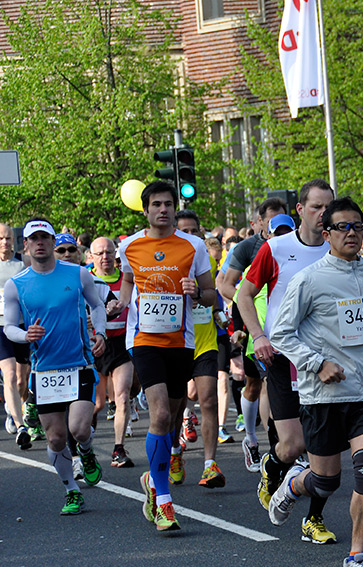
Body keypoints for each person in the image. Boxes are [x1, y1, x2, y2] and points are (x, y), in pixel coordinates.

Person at [268, 196, 363, 567]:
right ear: (326, 235)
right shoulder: (310, 279)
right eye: (343, 227)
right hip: (323, 395)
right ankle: (293, 485)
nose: (352, 234)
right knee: (326, 481)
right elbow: (281, 333)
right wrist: (317, 364)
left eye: (358, 226)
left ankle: (357, 559)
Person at [237, 180, 338, 544]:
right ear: (300, 210)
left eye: (329, 207)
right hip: (284, 356)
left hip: (325, 359)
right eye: (316, 207)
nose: (323, 214)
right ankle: (273, 465)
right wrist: (258, 336)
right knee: (293, 445)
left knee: (322, 446)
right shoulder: (276, 248)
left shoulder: (336, 249)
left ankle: (314, 518)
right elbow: (244, 294)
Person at [117, 180, 217, 532]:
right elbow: (128, 284)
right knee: (158, 413)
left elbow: (211, 294)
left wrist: (198, 292)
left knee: (172, 419)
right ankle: (163, 501)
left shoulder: (194, 246)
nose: (163, 209)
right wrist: (122, 303)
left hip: (181, 342)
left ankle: (151, 480)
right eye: (156, 204)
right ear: (145, 210)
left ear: (175, 208)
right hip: (144, 339)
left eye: (168, 204)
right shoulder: (129, 246)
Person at [5, 219, 108, 514]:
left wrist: (99, 333)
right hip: (45, 370)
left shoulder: (78, 275)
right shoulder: (16, 285)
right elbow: (10, 326)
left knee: (79, 429)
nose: (39, 243)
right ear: (25, 245)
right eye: (33, 238)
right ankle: (71, 491)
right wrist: (25, 336)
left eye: (45, 238)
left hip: (80, 364)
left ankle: (86, 452)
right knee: (55, 437)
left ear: (52, 242)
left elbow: (97, 306)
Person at [217, 197, 288, 473]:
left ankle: (278, 444)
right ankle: (251, 438)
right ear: (259, 223)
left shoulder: (294, 245)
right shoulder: (249, 247)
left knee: (275, 385)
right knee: (255, 385)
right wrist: (247, 310)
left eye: (283, 221)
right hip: (254, 327)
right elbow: (225, 284)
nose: (278, 228)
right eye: (271, 222)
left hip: (283, 329)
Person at [175, 210, 226, 488]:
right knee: (174, 406)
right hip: (175, 342)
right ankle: (173, 453)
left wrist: (216, 310)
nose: (191, 236)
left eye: (195, 231)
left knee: (208, 400)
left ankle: (209, 465)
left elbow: (211, 294)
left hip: (204, 341)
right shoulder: (167, 261)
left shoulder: (207, 260)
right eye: (185, 231)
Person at [90, 236, 136, 467]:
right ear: (91, 257)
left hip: (121, 345)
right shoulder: (86, 281)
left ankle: (119, 449)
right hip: (95, 346)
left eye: (109, 252)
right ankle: (85, 445)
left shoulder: (127, 281)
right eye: (100, 253)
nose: (105, 257)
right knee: (96, 404)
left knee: (122, 397)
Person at [0, 223, 30, 449]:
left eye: (8, 238)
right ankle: (20, 425)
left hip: (20, 326)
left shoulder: (23, 263)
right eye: (1, 238)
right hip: (0, 327)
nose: (5, 243)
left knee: (21, 379)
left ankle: (14, 407)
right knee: (9, 375)